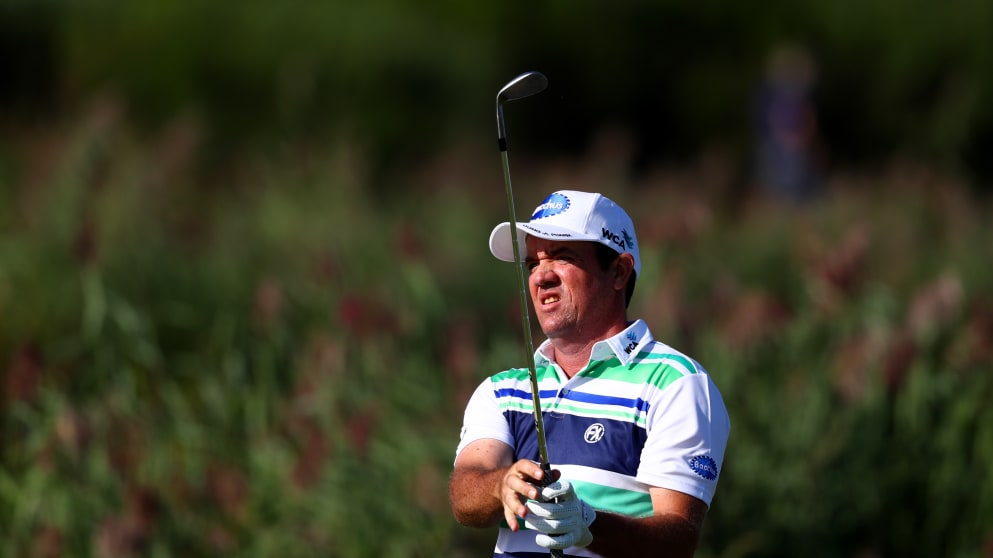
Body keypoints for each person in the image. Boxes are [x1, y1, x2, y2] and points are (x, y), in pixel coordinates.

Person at [449, 190, 730, 558]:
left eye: (562, 257)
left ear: (618, 272)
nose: (540, 276)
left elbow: (677, 540)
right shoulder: (503, 390)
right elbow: (464, 496)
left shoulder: (676, 383)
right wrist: (501, 484)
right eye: (533, 262)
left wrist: (588, 525)